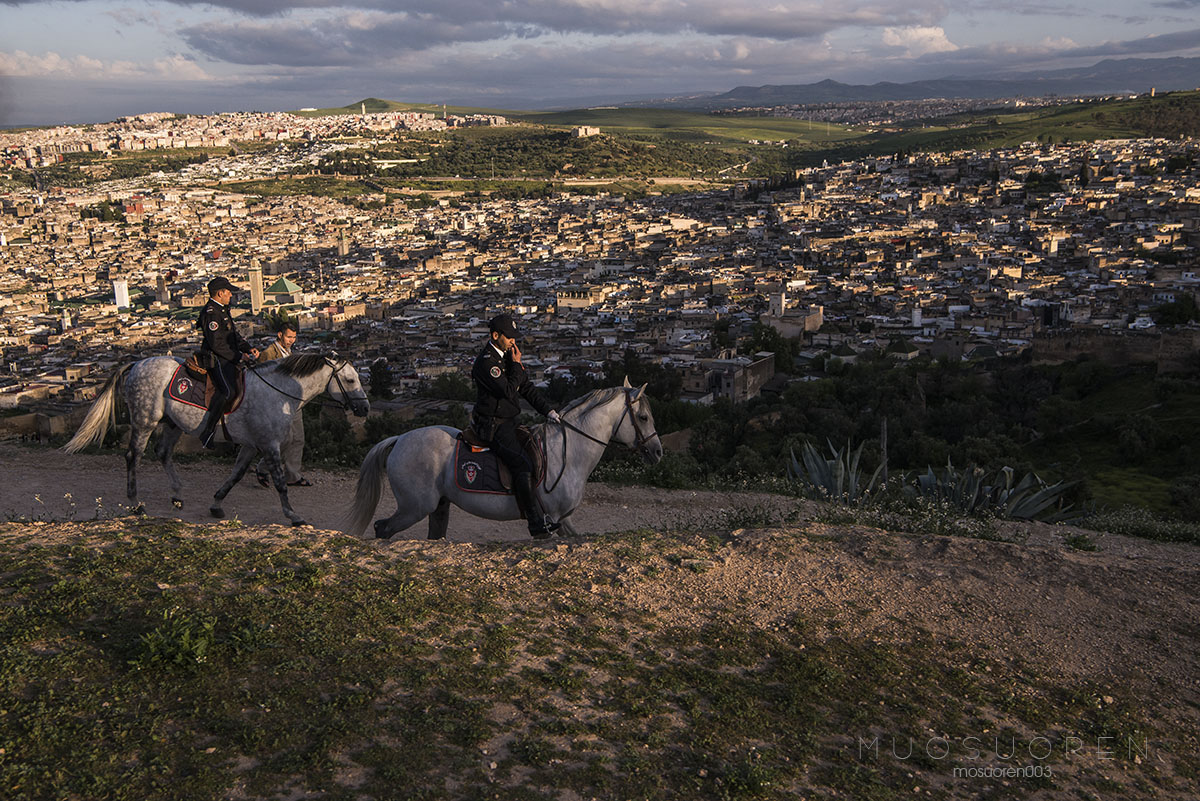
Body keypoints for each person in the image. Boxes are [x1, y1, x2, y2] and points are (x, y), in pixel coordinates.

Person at [471, 313, 562, 538]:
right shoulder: (487, 363)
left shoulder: (506, 358)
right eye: (509, 337)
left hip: (510, 421)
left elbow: (526, 388)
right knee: (522, 465)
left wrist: (549, 411)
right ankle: (535, 523)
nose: (514, 341)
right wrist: (518, 367)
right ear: (495, 336)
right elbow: (509, 390)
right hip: (494, 425)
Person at [196, 276, 258, 448]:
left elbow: (233, 336)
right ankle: (208, 432)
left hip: (227, 356)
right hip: (215, 358)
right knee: (227, 391)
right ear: (220, 293)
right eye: (229, 292)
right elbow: (217, 344)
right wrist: (238, 357)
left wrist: (247, 348)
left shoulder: (222, 310)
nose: (231, 295)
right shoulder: (211, 313)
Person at [256, 321, 310, 487]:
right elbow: (262, 380)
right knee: (285, 440)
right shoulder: (268, 354)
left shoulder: (291, 353)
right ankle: (263, 468)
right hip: (278, 405)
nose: (291, 340)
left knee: (298, 439)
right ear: (280, 335)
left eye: (294, 337)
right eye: (288, 336)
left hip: (293, 403)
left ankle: (292, 475)